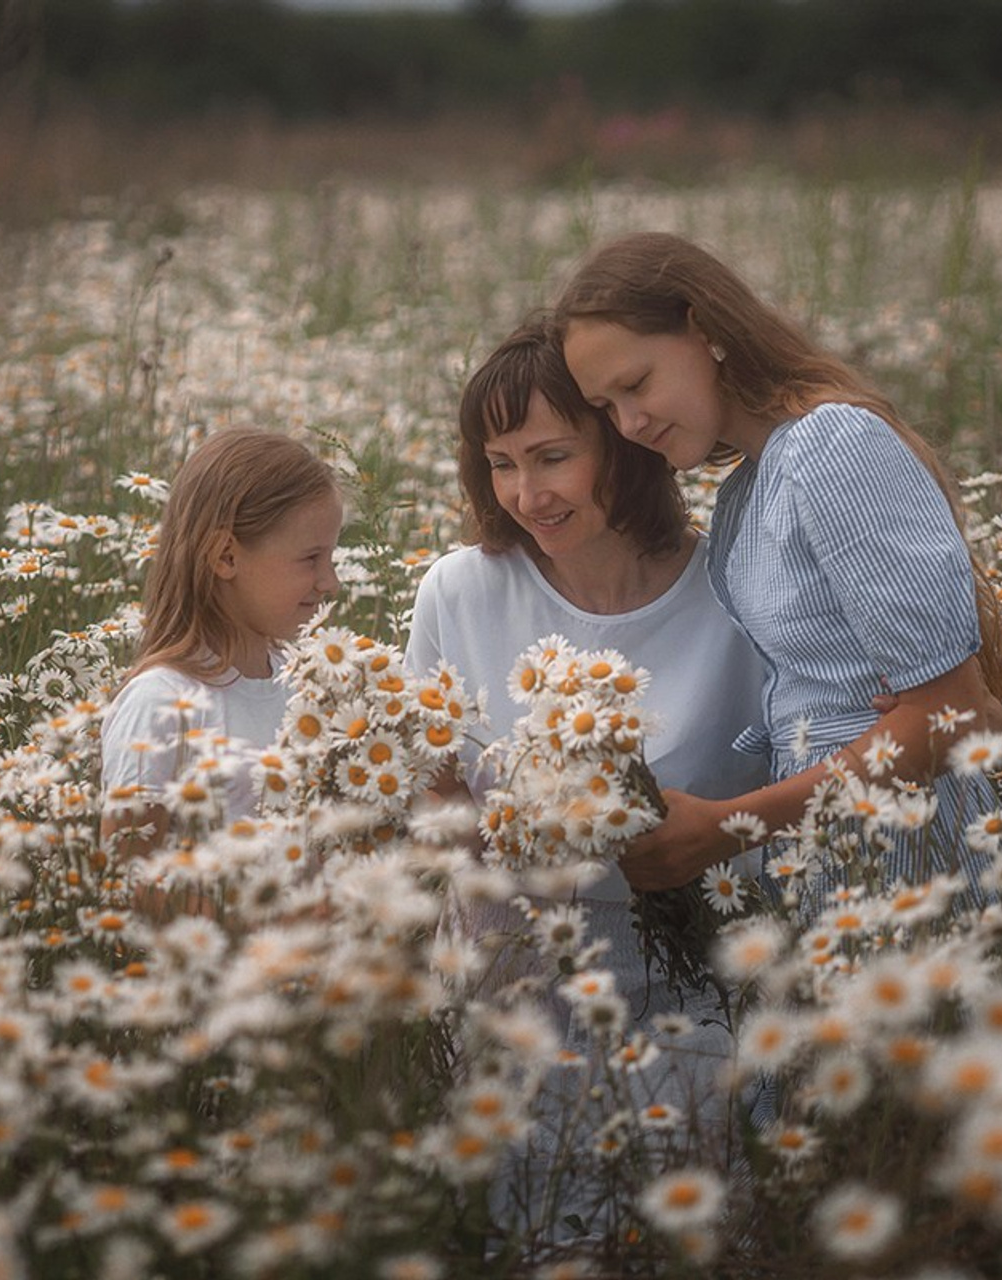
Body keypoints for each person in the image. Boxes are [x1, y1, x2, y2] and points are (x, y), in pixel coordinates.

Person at [406, 316, 771, 1208]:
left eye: (551, 456)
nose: (525, 493)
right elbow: (432, 792)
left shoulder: (734, 593)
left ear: (624, 443)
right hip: (511, 995)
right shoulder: (460, 590)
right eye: (501, 463)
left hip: (696, 996)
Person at [554, 231, 1002, 908]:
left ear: (704, 329)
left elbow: (957, 714)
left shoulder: (832, 445)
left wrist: (727, 828)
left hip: (917, 859)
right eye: (605, 408)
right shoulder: (747, 490)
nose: (629, 423)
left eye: (636, 384)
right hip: (837, 857)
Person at [100, 428, 343, 860]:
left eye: (332, 559)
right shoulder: (161, 703)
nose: (331, 583)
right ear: (226, 557)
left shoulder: (305, 684)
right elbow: (127, 879)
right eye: (311, 559)